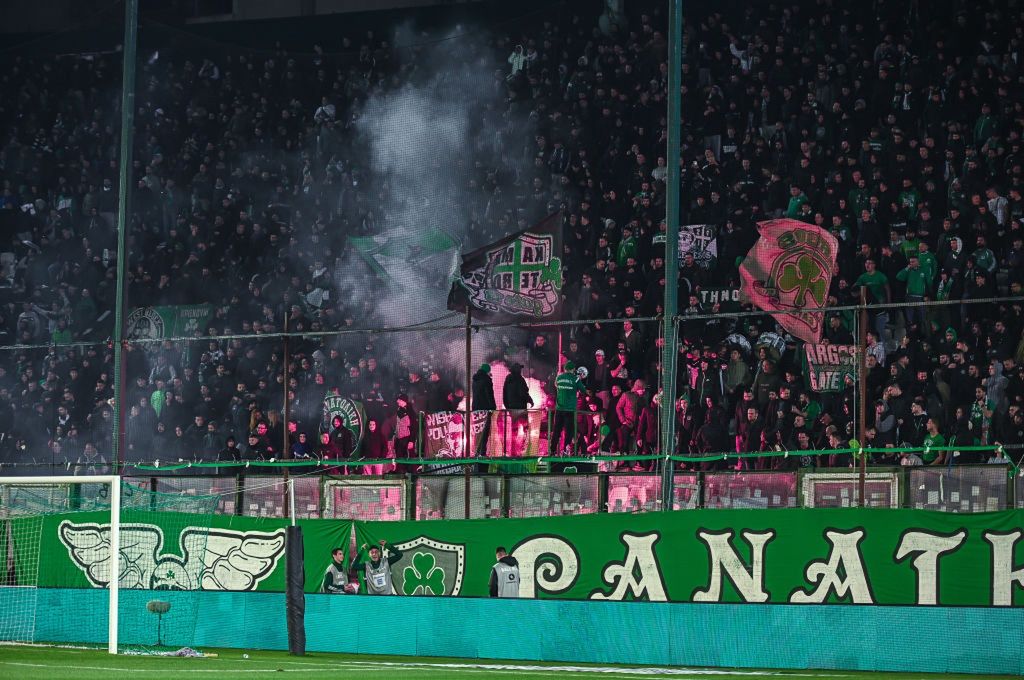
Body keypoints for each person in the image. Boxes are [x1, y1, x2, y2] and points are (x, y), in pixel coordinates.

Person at [550, 361, 585, 456]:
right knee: (568, 431)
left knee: (557, 430)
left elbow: (556, 385)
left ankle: (552, 451)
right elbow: (583, 390)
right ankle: (565, 451)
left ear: (565, 369)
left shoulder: (559, 377)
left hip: (559, 409)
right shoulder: (576, 379)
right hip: (569, 410)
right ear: (573, 369)